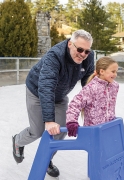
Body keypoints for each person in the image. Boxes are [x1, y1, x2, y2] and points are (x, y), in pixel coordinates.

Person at [12, 29, 94, 177]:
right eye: (80, 49)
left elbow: (88, 79)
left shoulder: (88, 57)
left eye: (87, 51)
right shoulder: (55, 56)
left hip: (60, 95)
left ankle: (47, 160)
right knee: (37, 131)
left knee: (60, 131)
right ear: (70, 44)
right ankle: (18, 140)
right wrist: (49, 120)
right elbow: (46, 86)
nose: (83, 54)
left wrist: (93, 103)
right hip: (37, 92)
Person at [65, 56, 119, 137]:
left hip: (108, 129)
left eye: (116, 72)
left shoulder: (114, 86)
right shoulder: (91, 88)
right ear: (102, 71)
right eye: (113, 71)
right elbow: (75, 104)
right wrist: (72, 122)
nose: (115, 75)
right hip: (93, 131)